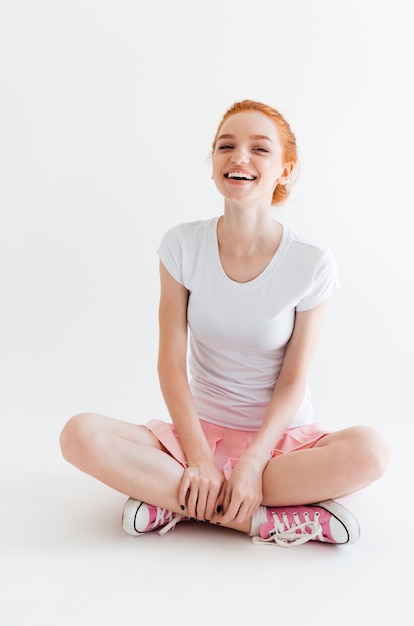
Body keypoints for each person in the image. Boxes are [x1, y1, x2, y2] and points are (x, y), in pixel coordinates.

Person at [60, 99, 390, 547]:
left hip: (278, 446)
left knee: (371, 452)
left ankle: (177, 501)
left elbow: (293, 382)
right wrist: (197, 458)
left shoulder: (311, 263)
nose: (239, 158)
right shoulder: (181, 245)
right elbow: (171, 365)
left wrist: (253, 463)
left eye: (260, 149)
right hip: (198, 435)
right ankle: (262, 518)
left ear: (285, 171)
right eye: (226, 146)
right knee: (79, 434)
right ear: (214, 163)